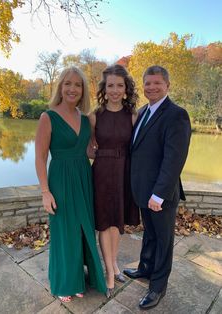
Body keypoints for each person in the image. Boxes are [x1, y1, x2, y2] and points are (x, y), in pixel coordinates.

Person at [35, 66, 106, 303]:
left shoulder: (86, 119)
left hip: (83, 177)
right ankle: (65, 282)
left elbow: (87, 150)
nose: (72, 88)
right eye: (68, 83)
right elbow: (40, 158)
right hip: (60, 180)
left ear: (83, 90)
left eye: (77, 84)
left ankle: (79, 278)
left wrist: (107, 152)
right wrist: (45, 192)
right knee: (64, 231)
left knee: (82, 229)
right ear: (60, 87)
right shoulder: (48, 116)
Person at [124, 65, 191, 310]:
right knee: (149, 234)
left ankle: (158, 287)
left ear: (167, 85)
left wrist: (159, 194)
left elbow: (174, 159)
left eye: (157, 83)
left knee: (163, 240)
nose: (152, 87)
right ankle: (144, 269)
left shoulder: (177, 114)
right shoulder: (142, 112)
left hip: (160, 194)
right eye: (148, 83)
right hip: (143, 190)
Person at [89, 64, 140, 297]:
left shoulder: (133, 115)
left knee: (116, 224)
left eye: (120, 85)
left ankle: (115, 264)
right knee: (104, 223)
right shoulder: (94, 116)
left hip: (123, 172)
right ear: (104, 88)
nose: (115, 90)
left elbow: (138, 149)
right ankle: (109, 272)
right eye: (111, 85)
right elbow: (88, 150)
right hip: (101, 173)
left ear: (126, 88)